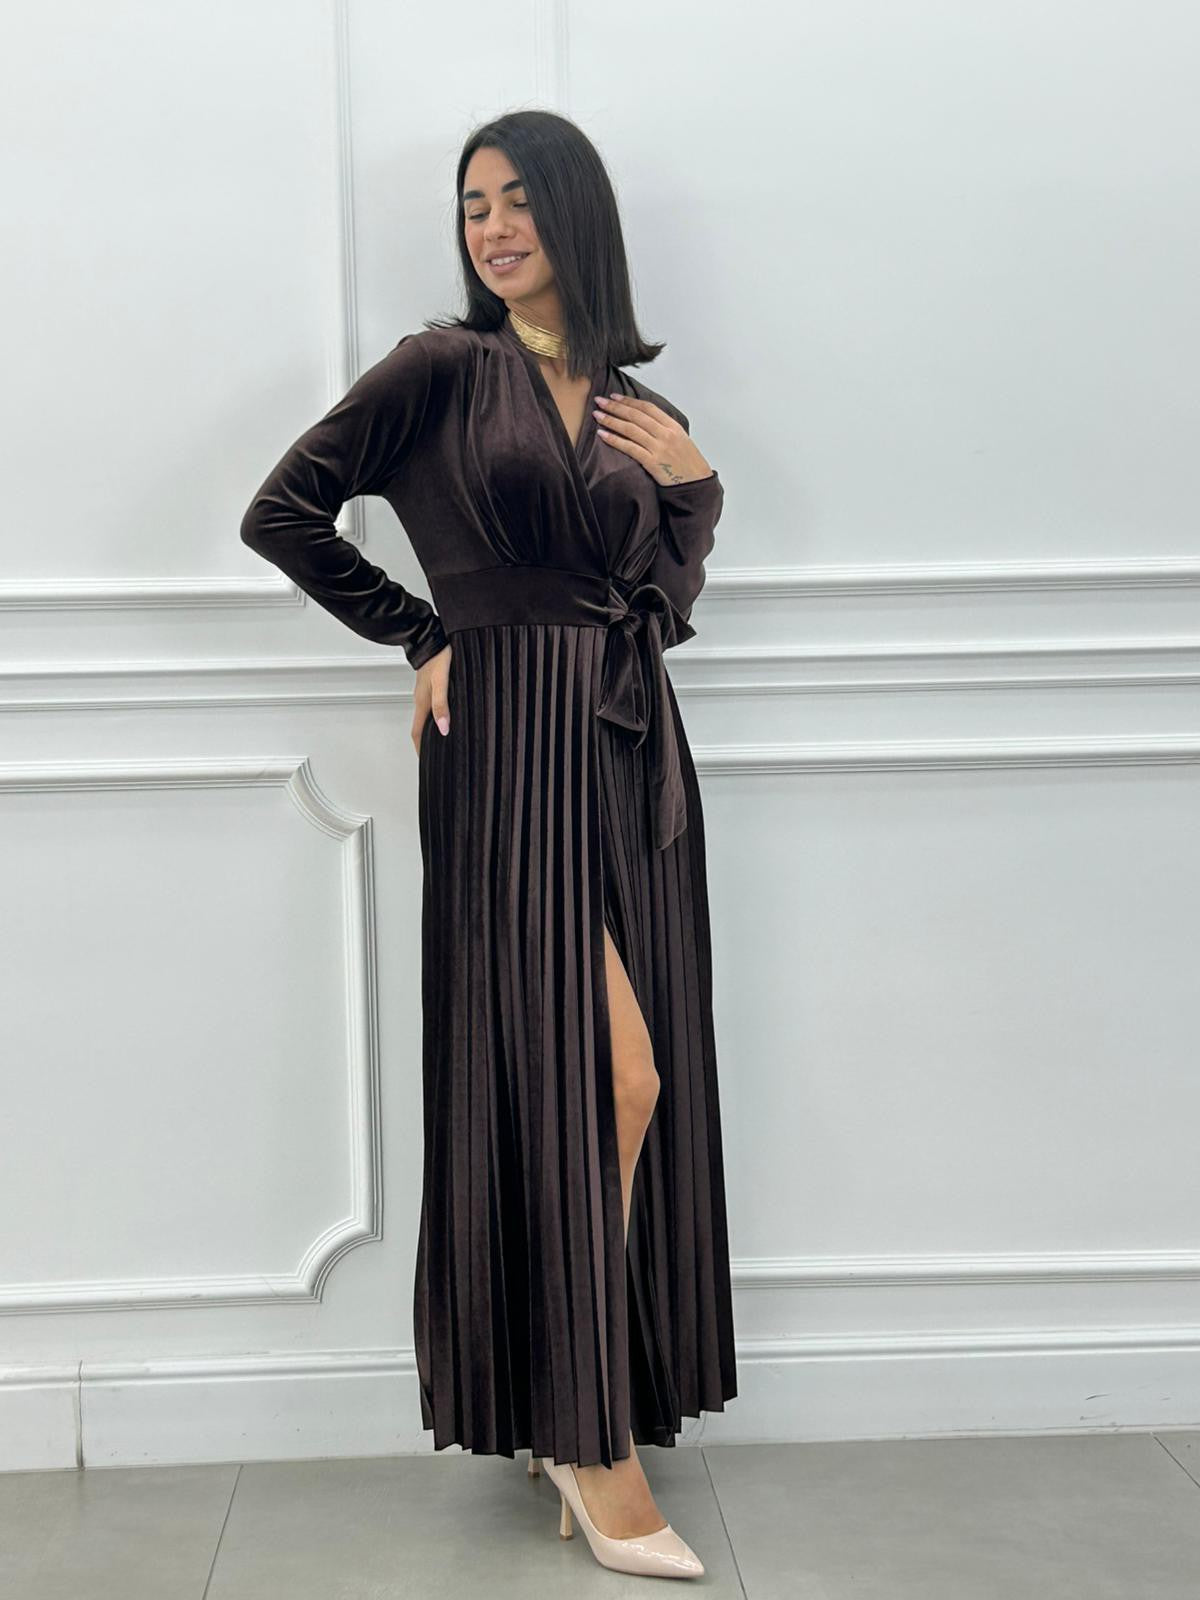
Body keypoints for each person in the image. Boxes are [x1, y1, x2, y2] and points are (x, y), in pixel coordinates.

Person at [240, 108, 735, 1579]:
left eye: (519, 200)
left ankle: (564, 1397)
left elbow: (661, 606)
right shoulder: (441, 369)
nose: (495, 227)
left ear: (576, 215)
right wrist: (420, 634)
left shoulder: (636, 404)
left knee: (633, 1083)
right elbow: (284, 513)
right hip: (508, 748)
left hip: (632, 753)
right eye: (474, 206)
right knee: (599, 1075)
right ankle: (588, 1439)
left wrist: (696, 489)